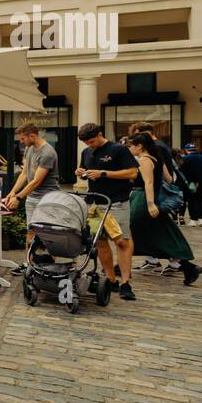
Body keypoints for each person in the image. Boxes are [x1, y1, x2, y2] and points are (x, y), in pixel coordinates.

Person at [127, 133, 202, 286]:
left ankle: (122, 265)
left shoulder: (144, 160)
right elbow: (169, 179)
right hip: (152, 198)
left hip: (143, 199)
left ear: (139, 146)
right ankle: (186, 266)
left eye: (131, 145)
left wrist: (150, 203)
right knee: (158, 231)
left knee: (135, 231)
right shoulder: (157, 158)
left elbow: (147, 183)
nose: (130, 148)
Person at [76, 123, 139, 301]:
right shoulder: (86, 152)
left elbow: (133, 173)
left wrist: (104, 173)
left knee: (121, 242)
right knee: (100, 242)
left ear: (100, 134)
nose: (90, 145)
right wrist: (80, 173)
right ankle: (111, 279)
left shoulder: (118, 149)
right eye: (87, 143)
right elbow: (86, 173)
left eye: (92, 141)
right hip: (95, 204)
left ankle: (126, 282)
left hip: (117, 202)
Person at [3, 121, 59, 266]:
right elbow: (24, 174)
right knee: (31, 230)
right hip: (33, 198)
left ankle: (51, 264)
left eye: (23, 139)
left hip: (47, 198)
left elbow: (36, 181)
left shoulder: (47, 153)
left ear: (32, 135)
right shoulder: (29, 149)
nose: (21, 142)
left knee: (48, 232)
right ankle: (29, 263)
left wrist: (19, 197)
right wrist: (12, 192)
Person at [180, 143, 202, 226]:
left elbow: (183, 172)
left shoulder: (185, 158)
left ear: (186, 150)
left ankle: (193, 219)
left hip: (191, 183)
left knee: (191, 200)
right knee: (200, 199)